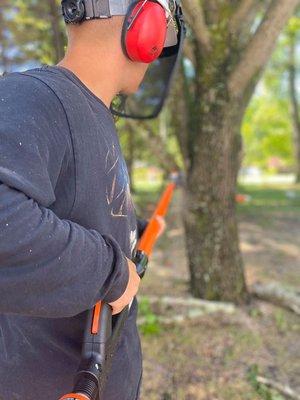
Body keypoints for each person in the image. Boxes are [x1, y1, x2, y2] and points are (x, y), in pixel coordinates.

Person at [0, 0, 179, 398]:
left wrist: (132, 231)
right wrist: (111, 272)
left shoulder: (92, 114)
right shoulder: (36, 96)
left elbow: (77, 213)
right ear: (145, 24)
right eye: (166, 26)